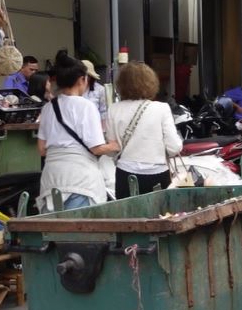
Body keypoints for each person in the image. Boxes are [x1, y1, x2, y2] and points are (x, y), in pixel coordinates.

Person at [36, 61, 119, 212]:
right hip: (80, 180)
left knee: (53, 231)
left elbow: (42, 149)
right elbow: (96, 148)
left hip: (51, 179)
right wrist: (115, 145)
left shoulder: (48, 108)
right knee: (79, 232)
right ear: (82, 79)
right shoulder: (86, 106)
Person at [108, 62, 183, 199]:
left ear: (121, 84)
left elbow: (112, 149)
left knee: (128, 218)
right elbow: (174, 148)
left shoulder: (113, 109)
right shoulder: (161, 108)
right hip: (157, 175)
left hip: (125, 174)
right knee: (160, 217)